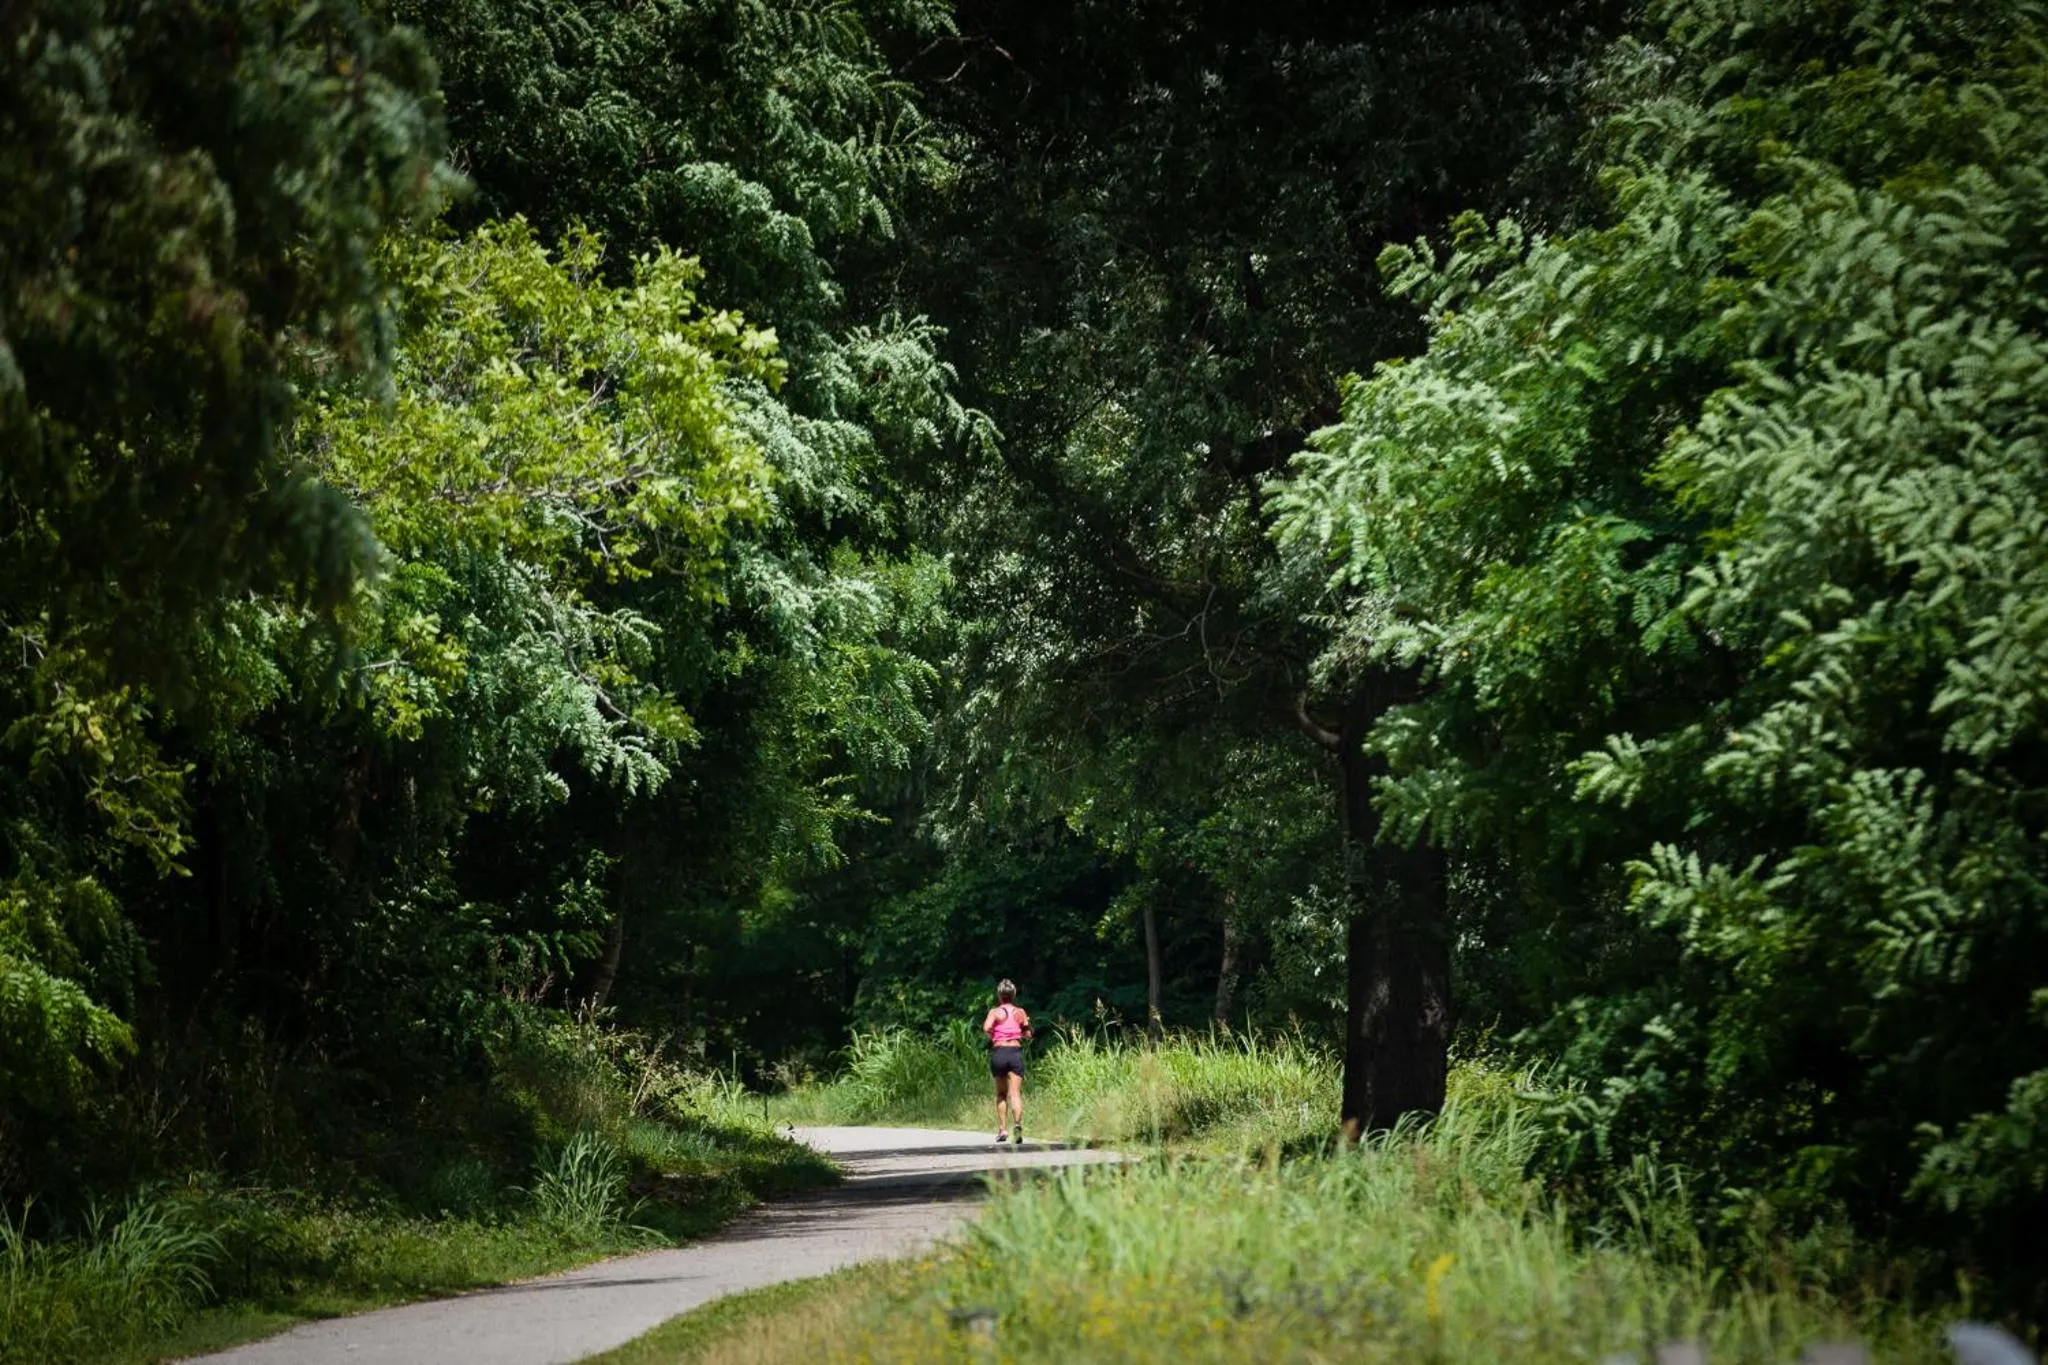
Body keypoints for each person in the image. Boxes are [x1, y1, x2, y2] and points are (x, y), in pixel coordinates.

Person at [982, 979, 1033, 1144]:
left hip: (999, 1052)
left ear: (999, 995)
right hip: (1015, 1052)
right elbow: (1028, 1034)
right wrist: (1024, 1027)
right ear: (1014, 994)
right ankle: (1017, 1125)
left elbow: (986, 1028)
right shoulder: (1020, 1012)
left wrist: (995, 1036)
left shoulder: (994, 1012)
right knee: (1015, 1094)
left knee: (1001, 1094)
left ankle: (1003, 1129)